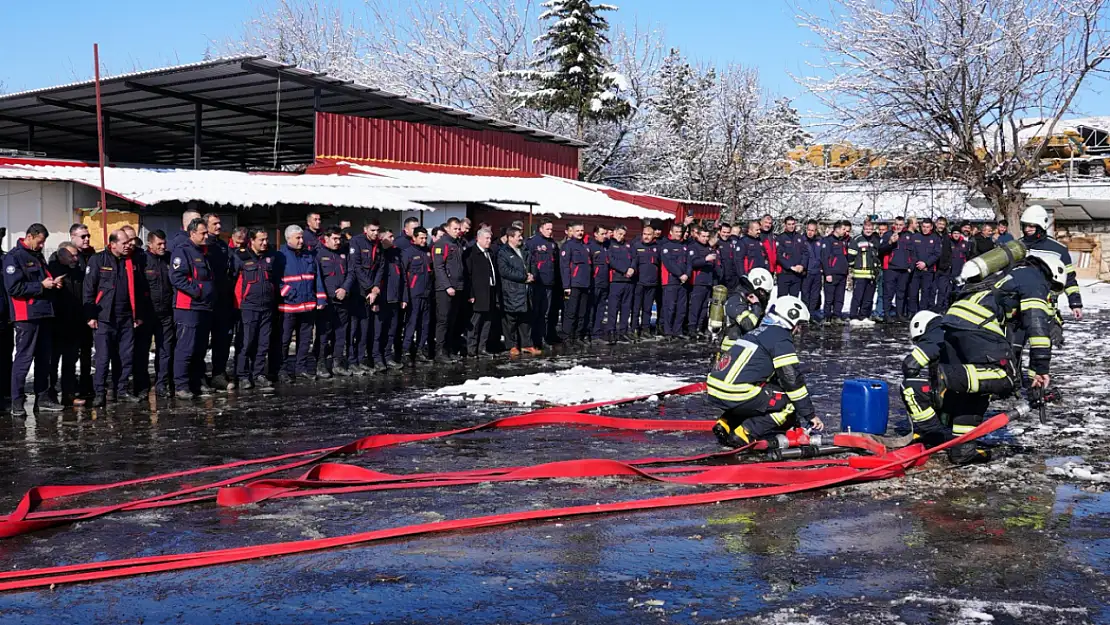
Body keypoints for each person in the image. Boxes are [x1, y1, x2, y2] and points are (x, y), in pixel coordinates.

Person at [939, 251, 1064, 464]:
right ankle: (943, 378)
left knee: (977, 387)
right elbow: (1036, 325)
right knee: (1005, 378)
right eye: (1052, 289)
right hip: (977, 323)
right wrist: (1042, 369)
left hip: (954, 320)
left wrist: (1033, 372)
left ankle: (962, 446)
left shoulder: (1011, 274)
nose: (1049, 295)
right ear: (1051, 275)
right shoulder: (1035, 279)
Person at [707, 296, 823, 447]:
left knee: (762, 396)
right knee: (789, 402)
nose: (798, 330)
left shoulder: (758, 332)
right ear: (789, 319)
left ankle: (726, 423)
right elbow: (791, 380)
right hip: (735, 392)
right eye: (799, 324)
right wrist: (810, 415)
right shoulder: (780, 337)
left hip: (715, 388)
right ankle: (746, 432)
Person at [4, 224, 65, 416]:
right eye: (39, 242)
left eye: (43, 243)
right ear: (29, 237)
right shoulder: (14, 257)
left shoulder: (37, 256)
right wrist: (41, 285)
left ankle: (43, 397)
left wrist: (52, 283)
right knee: (24, 359)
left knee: (44, 359)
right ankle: (17, 401)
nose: (42, 246)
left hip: (45, 312)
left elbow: (43, 281)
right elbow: (14, 288)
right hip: (26, 315)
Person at [84, 229, 143, 407]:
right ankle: (99, 393)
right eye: (124, 243)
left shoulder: (132, 261)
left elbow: (138, 290)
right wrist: (90, 315)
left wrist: (137, 315)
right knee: (103, 358)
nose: (128, 246)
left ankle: (122, 390)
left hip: (126, 317)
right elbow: (88, 289)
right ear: (113, 243)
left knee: (125, 356)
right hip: (104, 317)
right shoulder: (98, 260)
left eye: (129, 243)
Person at [170, 217, 216, 399]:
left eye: (207, 232)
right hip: (188, 307)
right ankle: (181, 385)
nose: (206, 236)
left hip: (204, 307)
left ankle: (197, 381)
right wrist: (198, 291)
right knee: (185, 348)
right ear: (192, 233)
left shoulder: (205, 252)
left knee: (200, 348)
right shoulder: (182, 251)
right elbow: (177, 278)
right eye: (203, 233)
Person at [275, 224, 326, 382]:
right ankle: (281, 369)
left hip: (308, 305)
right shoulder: (280, 256)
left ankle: (301, 368)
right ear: (288, 238)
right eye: (298, 238)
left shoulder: (309, 255)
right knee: (284, 340)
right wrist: (287, 292)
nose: (301, 240)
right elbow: (275, 279)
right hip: (288, 307)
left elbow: (316, 278)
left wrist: (321, 298)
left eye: (302, 237)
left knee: (305, 340)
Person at [230, 227, 276, 391]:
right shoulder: (240, 256)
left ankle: (258, 374)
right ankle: (242, 375)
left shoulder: (271, 256)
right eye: (261, 240)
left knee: (263, 343)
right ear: (252, 241)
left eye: (266, 239)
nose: (265, 243)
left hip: (267, 306)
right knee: (246, 342)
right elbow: (232, 280)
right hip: (248, 307)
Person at [1020, 205, 1083, 321]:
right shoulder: (1018, 247)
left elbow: (1069, 278)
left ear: (1041, 226)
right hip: (1018, 308)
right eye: (1025, 225)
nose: (1026, 229)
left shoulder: (1058, 249)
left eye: (1031, 226)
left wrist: (1075, 303)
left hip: (1046, 308)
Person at [47, 242, 87, 406]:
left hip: (74, 322)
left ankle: (69, 393)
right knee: (52, 362)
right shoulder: (52, 270)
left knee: (70, 361)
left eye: (76, 255)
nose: (75, 259)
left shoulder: (77, 271)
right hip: (56, 323)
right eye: (71, 256)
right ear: (61, 255)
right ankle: (50, 393)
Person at [900, 310, 947, 447]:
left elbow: (910, 366)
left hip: (958, 390)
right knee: (936, 383)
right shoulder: (948, 330)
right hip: (970, 386)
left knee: (909, 387)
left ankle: (932, 432)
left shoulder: (935, 335)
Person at [317, 226, 355, 377]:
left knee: (341, 333)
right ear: (326, 239)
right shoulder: (319, 254)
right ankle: (321, 364)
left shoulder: (343, 254)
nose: (338, 242)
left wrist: (345, 288)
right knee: (324, 335)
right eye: (334, 238)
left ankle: (337, 363)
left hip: (342, 300)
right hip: (327, 302)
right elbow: (318, 278)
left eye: (339, 238)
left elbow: (351, 273)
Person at [204, 213, 235, 390]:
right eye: (214, 224)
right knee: (200, 342)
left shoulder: (222, 246)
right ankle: (199, 376)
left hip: (223, 300)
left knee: (222, 340)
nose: (218, 227)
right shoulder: (202, 246)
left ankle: (219, 373)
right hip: (206, 300)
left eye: (219, 223)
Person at [498, 226, 538, 356]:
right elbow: (505, 271)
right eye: (518, 236)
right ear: (510, 237)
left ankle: (527, 344)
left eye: (521, 235)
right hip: (512, 291)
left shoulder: (525, 250)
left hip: (526, 290)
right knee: (511, 320)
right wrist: (524, 277)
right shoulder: (503, 252)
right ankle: (512, 345)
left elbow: (532, 265)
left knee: (525, 319)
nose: (521, 238)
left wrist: (532, 275)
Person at [348, 219, 382, 372]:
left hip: (371, 292)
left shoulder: (377, 244)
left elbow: (380, 267)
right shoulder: (356, 242)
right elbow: (356, 267)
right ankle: (351, 360)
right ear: (365, 229)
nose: (375, 233)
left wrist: (375, 288)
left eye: (377, 230)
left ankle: (361, 359)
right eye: (372, 230)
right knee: (353, 328)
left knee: (365, 327)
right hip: (357, 291)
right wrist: (370, 287)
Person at [432, 218, 466, 363]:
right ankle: (440, 351)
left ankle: (449, 349)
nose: (457, 231)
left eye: (459, 229)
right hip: (445, 289)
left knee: (453, 320)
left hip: (457, 287)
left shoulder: (457, 244)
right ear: (447, 228)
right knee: (443, 320)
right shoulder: (441, 244)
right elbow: (439, 268)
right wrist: (447, 286)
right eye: (455, 229)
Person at [718, 267, 774, 353]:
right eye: (762, 292)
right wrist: (757, 305)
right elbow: (748, 325)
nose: (763, 296)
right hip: (731, 351)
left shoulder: (748, 300)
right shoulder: (736, 300)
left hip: (745, 348)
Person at [374, 230, 406, 369]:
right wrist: (374, 301)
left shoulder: (396, 254)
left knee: (391, 331)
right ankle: (377, 358)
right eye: (390, 236)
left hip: (394, 298)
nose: (393, 239)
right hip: (381, 299)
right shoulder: (378, 254)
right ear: (382, 238)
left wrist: (403, 298)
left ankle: (388, 356)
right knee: (378, 332)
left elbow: (403, 277)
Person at [400, 227, 433, 365]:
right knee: (411, 324)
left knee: (424, 325)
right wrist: (405, 297)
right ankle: (406, 352)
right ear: (414, 238)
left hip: (427, 294)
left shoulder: (427, 252)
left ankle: (420, 350)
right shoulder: (408, 253)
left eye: (426, 238)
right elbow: (403, 276)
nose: (424, 240)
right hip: (413, 294)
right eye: (421, 238)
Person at [464, 228, 499, 356]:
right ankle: (471, 349)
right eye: (486, 238)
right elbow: (468, 275)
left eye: (490, 238)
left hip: (490, 291)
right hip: (478, 293)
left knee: (487, 322)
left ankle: (482, 347)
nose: (489, 241)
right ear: (478, 239)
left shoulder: (490, 252)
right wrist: (471, 294)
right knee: (475, 322)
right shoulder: (471, 253)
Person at [525, 219, 559, 348]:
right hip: (537, 283)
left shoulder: (552, 244)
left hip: (549, 283)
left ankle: (543, 338)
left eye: (551, 229)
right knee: (535, 312)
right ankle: (533, 339)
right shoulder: (532, 242)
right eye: (547, 229)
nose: (550, 232)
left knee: (545, 313)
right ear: (541, 229)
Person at [878, 216, 914, 321]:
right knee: (888, 293)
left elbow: (913, 253)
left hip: (904, 270)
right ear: (894, 224)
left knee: (901, 294)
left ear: (904, 225)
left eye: (900, 225)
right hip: (890, 269)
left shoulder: (908, 236)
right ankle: (887, 315)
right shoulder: (887, 235)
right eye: (896, 224)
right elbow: (881, 250)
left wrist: (910, 267)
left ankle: (899, 314)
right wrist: (890, 242)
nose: (898, 227)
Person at [686, 226, 718, 338]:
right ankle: (692, 328)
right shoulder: (693, 247)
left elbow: (713, 267)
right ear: (698, 235)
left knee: (704, 307)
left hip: (708, 281)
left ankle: (700, 327)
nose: (705, 239)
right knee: (695, 306)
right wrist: (705, 259)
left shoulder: (709, 248)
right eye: (703, 236)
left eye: (707, 237)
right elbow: (693, 262)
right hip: (698, 281)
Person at [659, 223, 689, 340]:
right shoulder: (666, 246)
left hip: (683, 281)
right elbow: (669, 264)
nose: (678, 234)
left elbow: (689, 262)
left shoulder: (684, 246)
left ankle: (678, 330)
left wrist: (687, 274)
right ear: (671, 232)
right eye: (676, 232)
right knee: (669, 307)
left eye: (679, 232)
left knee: (681, 308)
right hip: (670, 281)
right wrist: (680, 274)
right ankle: (668, 331)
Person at [606, 225, 635, 343]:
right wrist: (625, 270)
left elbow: (635, 258)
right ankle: (611, 331)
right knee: (613, 308)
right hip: (616, 280)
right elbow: (611, 261)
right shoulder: (609, 245)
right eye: (619, 234)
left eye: (623, 235)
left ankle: (623, 331)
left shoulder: (628, 246)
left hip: (628, 281)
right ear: (614, 232)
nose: (621, 237)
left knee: (626, 307)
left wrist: (632, 268)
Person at [632, 224, 660, 340]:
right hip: (639, 282)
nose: (646, 237)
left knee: (647, 308)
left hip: (652, 282)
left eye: (649, 234)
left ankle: (645, 329)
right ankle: (634, 328)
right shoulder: (636, 246)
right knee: (636, 308)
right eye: (644, 234)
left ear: (653, 235)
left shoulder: (657, 247)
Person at [848, 220, 880, 320]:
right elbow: (850, 257)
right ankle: (853, 316)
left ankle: (864, 316)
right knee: (857, 297)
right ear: (863, 229)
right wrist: (855, 266)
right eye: (866, 229)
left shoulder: (875, 240)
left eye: (870, 229)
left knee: (868, 298)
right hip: (859, 275)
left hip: (871, 275)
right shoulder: (857, 240)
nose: (868, 231)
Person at [908, 218, 941, 315]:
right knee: (913, 293)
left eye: (927, 227)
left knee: (925, 293)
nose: (925, 229)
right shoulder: (915, 237)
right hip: (916, 269)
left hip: (928, 270)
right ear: (921, 226)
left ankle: (922, 313)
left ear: (931, 227)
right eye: (924, 227)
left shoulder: (935, 238)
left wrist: (926, 264)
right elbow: (912, 252)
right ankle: (912, 313)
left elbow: (937, 253)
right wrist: (917, 264)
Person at [821, 221, 851, 322]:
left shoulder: (843, 241)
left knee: (839, 297)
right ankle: (827, 317)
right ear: (837, 229)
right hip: (832, 273)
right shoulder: (828, 240)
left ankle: (836, 316)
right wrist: (827, 273)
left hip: (842, 273)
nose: (845, 231)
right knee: (829, 298)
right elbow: (825, 258)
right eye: (843, 229)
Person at [936, 226, 970, 310]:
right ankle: (943, 308)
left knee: (958, 292)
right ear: (951, 234)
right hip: (949, 271)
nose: (956, 235)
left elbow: (968, 257)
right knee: (946, 292)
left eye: (958, 233)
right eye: (954, 233)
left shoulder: (965, 244)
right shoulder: (948, 242)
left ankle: (957, 309)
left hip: (960, 272)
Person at [586, 225, 610, 343]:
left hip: (605, 283)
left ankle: (597, 333)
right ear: (595, 234)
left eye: (605, 234)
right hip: (594, 282)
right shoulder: (590, 247)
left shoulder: (606, 246)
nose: (604, 236)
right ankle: (588, 332)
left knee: (601, 309)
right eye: (602, 234)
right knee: (591, 309)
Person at [775, 216, 807, 298]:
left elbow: (805, 253)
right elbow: (779, 255)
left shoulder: (799, 237)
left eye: (793, 224)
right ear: (785, 225)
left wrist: (802, 265)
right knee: (782, 299)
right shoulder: (780, 238)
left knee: (794, 299)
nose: (791, 226)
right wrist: (791, 267)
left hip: (797, 274)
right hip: (784, 274)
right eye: (789, 224)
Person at [802, 220, 823, 319]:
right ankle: (805, 314)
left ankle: (812, 314)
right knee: (805, 295)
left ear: (816, 231)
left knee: (815, 295)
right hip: (807, 272)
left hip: (817, 272)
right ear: (806, 229)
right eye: (809, 230)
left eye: (813, 230)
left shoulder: (820, 241)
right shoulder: (801, 240)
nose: (810, 232)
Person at [716, 223, 738, 289]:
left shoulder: (733, 243)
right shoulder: (716, 242)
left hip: (732, 276)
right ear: (719, 232)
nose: (725, 234)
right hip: (719, 277)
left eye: (728, 232)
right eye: (724, 232)